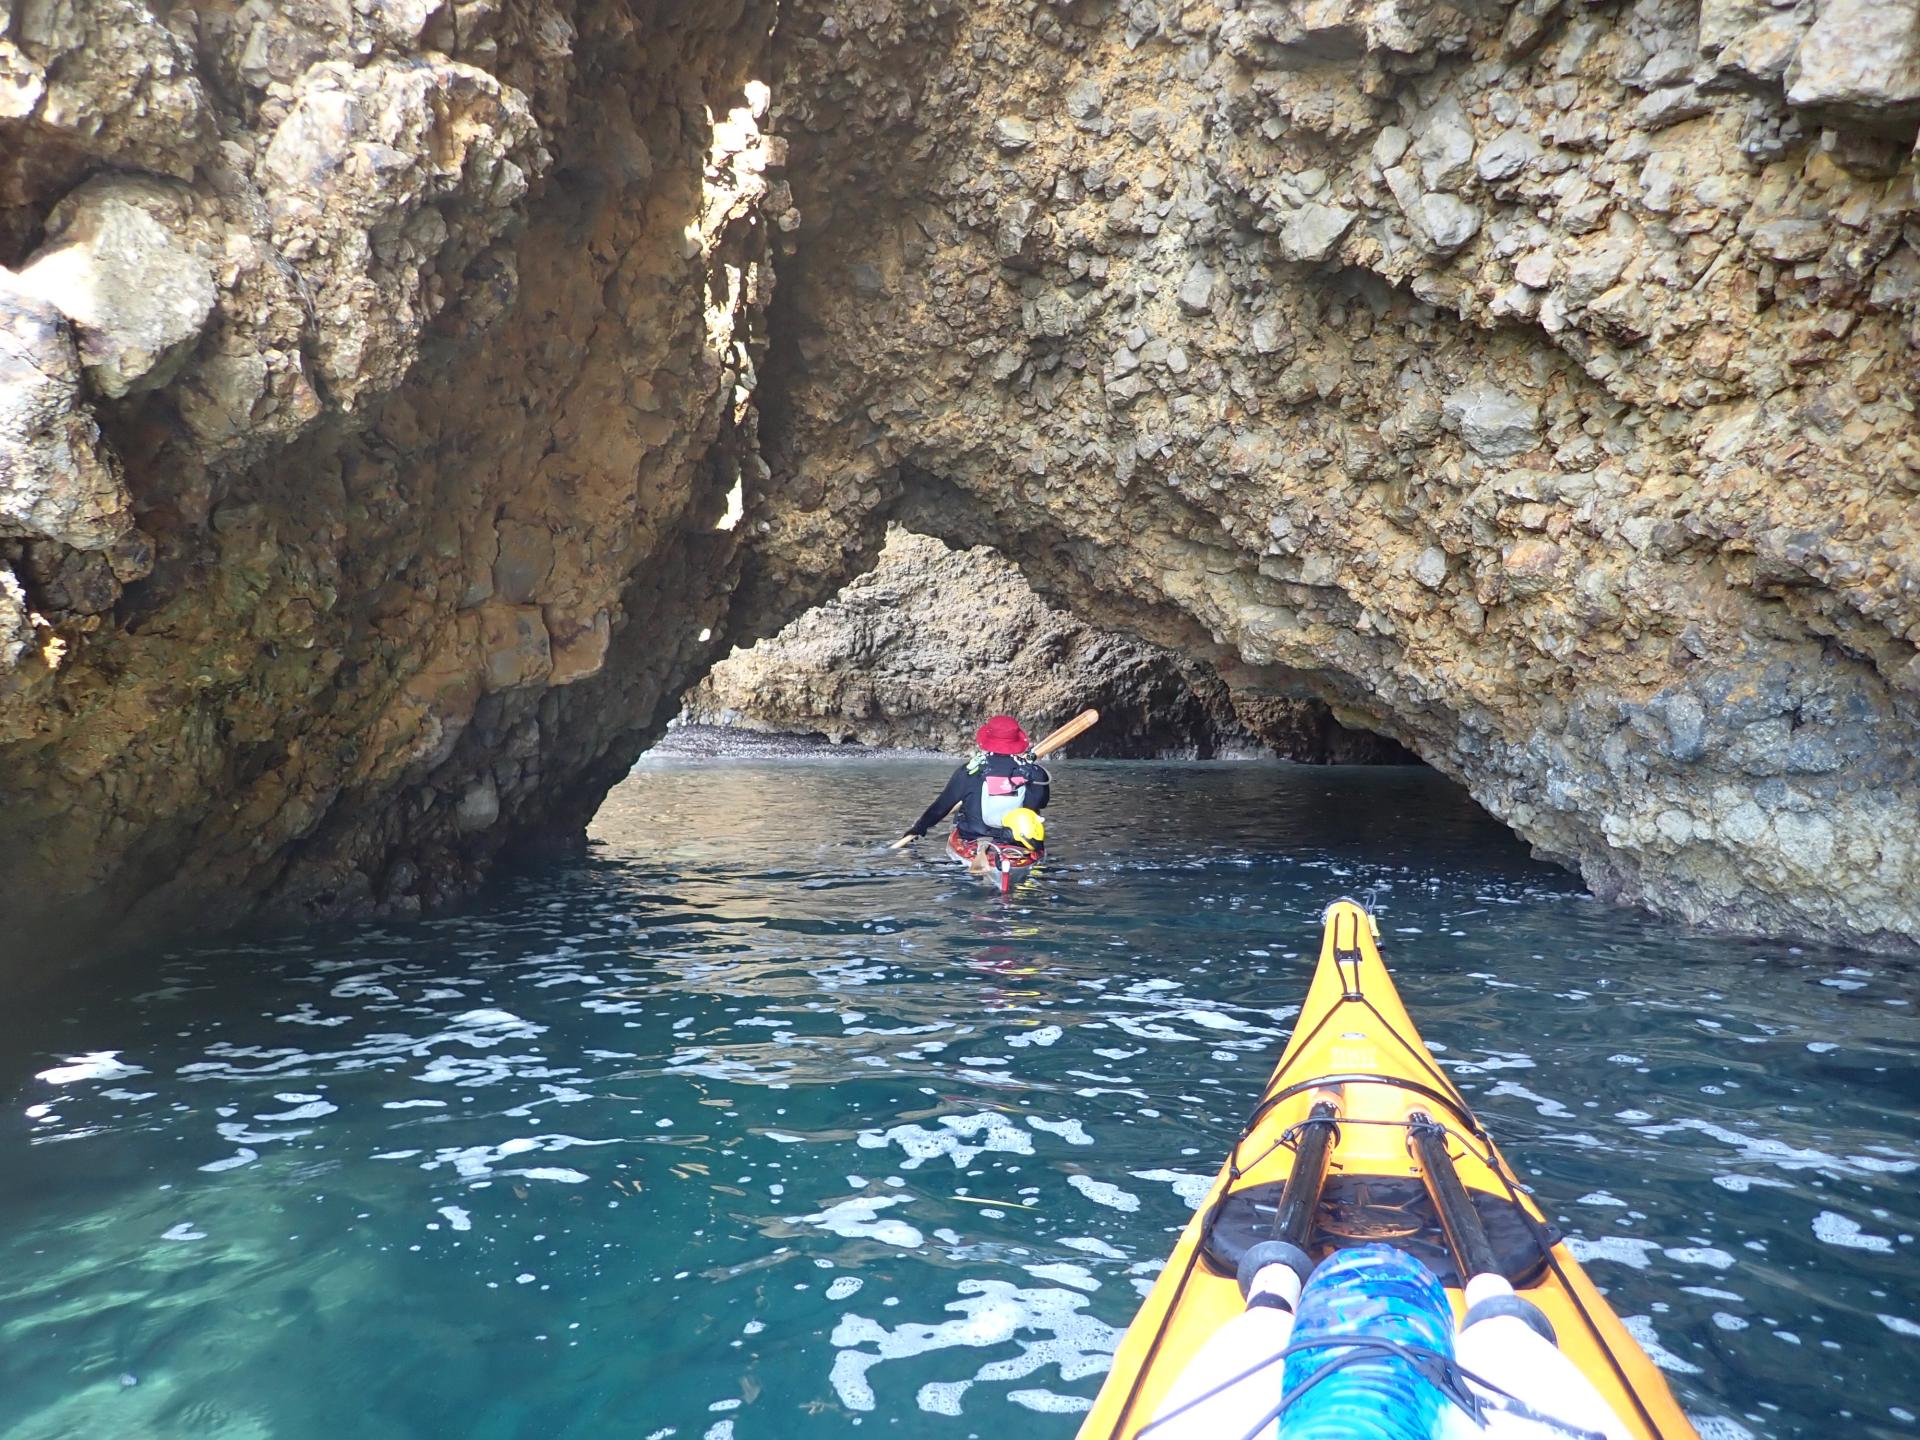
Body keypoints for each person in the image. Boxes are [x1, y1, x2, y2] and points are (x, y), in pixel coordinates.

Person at [898, 715, 1051, 858]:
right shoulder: (1036, 773)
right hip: (1017, 842)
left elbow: (941, 807)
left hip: (974, 837)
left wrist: (919, 828)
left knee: (963, 811)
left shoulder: (969, 771)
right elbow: (1041, 803)